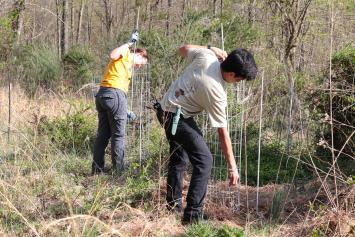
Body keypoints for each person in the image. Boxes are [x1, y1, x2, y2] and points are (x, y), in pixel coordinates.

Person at [156, 44, 257, 224]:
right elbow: (222, 132)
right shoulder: (216, 91)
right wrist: (233, 167)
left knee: (180, 157)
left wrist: (210, 48)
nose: (237, 83)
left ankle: (173, 206)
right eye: (239, 80)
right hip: (176, 117)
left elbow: (182, 49)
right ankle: (193, 216)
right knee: (205, 160)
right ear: (232, 74)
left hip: (166, 109)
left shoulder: (207, 56)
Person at [92, 31, 148, 174]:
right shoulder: (126, 53)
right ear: (139, 54)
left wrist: (125, 110)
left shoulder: (126, 64)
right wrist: (129, 42)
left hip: (103, 95)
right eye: (142, 63)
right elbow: (113, 55)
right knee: (118, 135)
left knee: (103, 134)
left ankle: (97, 170)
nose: (140, 67)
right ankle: (119, 170)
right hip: (114, 94)